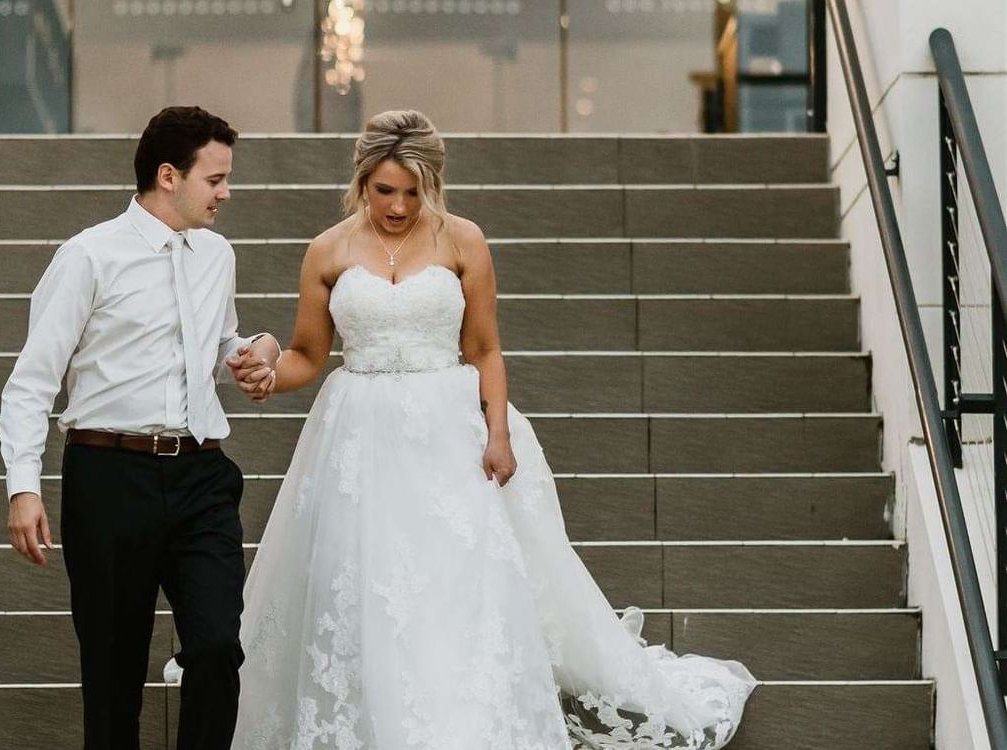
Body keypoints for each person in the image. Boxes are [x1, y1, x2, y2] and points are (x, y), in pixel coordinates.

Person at [226, 110, 757, 748]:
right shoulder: (329, 249)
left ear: (433, 184)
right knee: (367, 586)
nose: (398, 206)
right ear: (362, 181)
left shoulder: (463, 241)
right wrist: (263, 374)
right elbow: (307, 356)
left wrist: (497, 433)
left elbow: (485, 350)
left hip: (449, 430)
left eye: (413, 191)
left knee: (456, 581)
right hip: (357, 440)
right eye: (384, 190)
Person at [0, 105, 280, 750]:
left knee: (216, 647)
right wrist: (23, 486)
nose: (226, 193)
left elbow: (218, 347)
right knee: (113, 672)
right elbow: (32, 382)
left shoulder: (217, 256)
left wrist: (256, 351)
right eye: (216, 179)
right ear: (169, 176)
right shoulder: (87, 257)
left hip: (201, 476)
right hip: (108, 477)